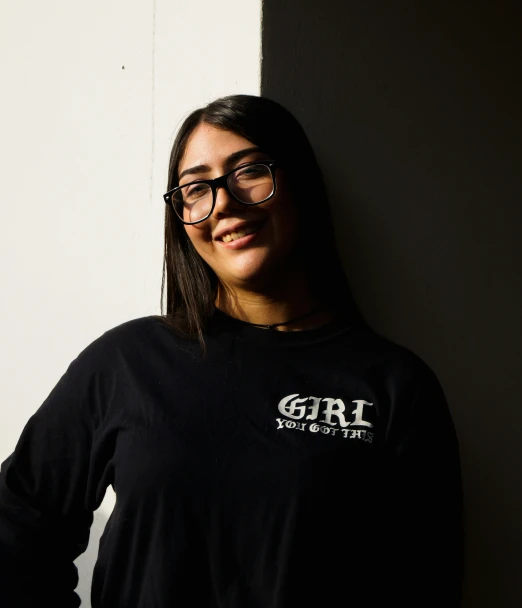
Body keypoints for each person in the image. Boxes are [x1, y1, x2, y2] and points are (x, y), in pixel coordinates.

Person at [0, 94, 464, 607]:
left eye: (248, 172)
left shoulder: (394, 385)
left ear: (300, 183)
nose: (223, 203)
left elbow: (426, 585)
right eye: (196, 188)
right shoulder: (129, 363)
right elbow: (16, 531)